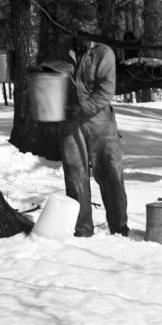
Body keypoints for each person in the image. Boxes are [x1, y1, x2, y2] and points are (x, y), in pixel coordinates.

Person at [60, 33, 129, 237]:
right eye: (78, 27)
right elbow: (50, 75)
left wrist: (83, 108)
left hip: (99, 120)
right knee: (75, 174)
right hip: (70, 119)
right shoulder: (61, 50)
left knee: (110, 171)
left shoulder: (103, 53)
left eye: (87, 27)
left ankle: (119, 227)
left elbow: (106, 91)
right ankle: (82, 228)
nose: (82, 32)